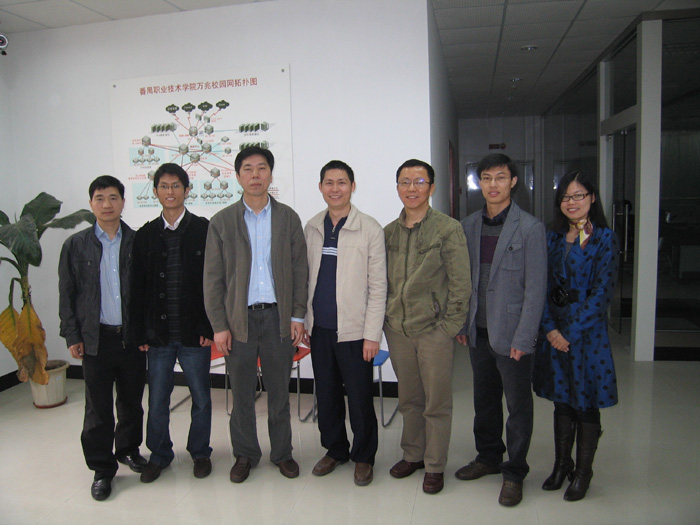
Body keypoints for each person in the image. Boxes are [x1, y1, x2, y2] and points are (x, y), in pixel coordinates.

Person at [203, 146, 308, 483]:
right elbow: (213, 280)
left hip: (278, 319)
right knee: (242, 395)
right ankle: (245, 454)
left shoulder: (288, 218)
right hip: (239, 322)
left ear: (270, 174)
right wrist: (219, 325)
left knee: (279, 393)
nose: (255, 175)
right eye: (247, 169)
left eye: (261, 168)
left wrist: (297, 316)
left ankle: (283, 453)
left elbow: (300, 270)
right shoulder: (221, 222)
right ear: (238, 177)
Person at [456, 153, 547, 507]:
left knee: (518, 405)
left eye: (500, 177)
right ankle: (489, 456)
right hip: (478, 331)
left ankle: (515, 471)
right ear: (479, 183)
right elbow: (464, 280)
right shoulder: (468, 226)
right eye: (487, 178)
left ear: (513, 181)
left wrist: (525, 337)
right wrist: (463, 323)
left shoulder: (530, 228)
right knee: (485, 399)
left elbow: (536, 289)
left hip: (512, 334)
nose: (493, 184)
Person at [384, 159, 471, 495]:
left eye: (419, 182)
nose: (412, 188)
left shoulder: (448, 229)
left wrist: (449, 327)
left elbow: (461, 283)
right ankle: (413, 454)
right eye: (405, 182)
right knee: (410, 399)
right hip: (398, 329)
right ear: (397, 188)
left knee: (436, 402)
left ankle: (434, 465)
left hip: (434, 330)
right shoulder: (388, 233)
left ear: (431, 188)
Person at [58, 176, 147, 501]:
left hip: (131, 339)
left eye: (113, 197)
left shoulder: (137, 242)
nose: (107, 204)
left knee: (131, 401)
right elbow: (67, 294)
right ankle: (101, 468)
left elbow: (147, 293)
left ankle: (128, 450)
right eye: (100, 198)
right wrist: (72, 334)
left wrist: (146, 332)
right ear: (91, 203)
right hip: (95, 338)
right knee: (97, 407)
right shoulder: (76, 245)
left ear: (123, 202)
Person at [533, 170, 619, 502]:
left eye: (578, 195)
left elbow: (602, 294)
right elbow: (540, 285)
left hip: (587, 333)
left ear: (592, 198)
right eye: (566, 197)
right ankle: (561, 465)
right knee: (562, 400)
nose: (572, 202)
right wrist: (551, 329)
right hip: (555, 328)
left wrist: (568, 333)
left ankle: (583, 472)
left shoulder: (605, 239)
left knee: (585, 402)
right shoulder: (553, 238)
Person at [302, 160, 386, 486]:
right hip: (320, 328)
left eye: (341, 182)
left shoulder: (370, 228)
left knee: (360, 398)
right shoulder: (312, 227)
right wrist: (305, 322)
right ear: (320, 187)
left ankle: (363, 456)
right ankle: (335, 449)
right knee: (327, 395)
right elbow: (306, 280)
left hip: (355, 331)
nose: (335, 189)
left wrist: (372, 335)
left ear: (352, 186)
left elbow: (378, 287)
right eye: (329, 182)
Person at [131, 163, 214, 483]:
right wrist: (140, 331)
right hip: (158, 335)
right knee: (157, 400)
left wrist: (209, 326)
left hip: (195, 333)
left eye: (176, 186)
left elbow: (214, 282)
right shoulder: (145, 235)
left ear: (187, 190)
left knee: (201, 398)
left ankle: (200, 451)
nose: (170, 191)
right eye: (164, 186)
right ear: (155, 192)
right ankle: (159, 454)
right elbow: (136, 287)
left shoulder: (204, 229)